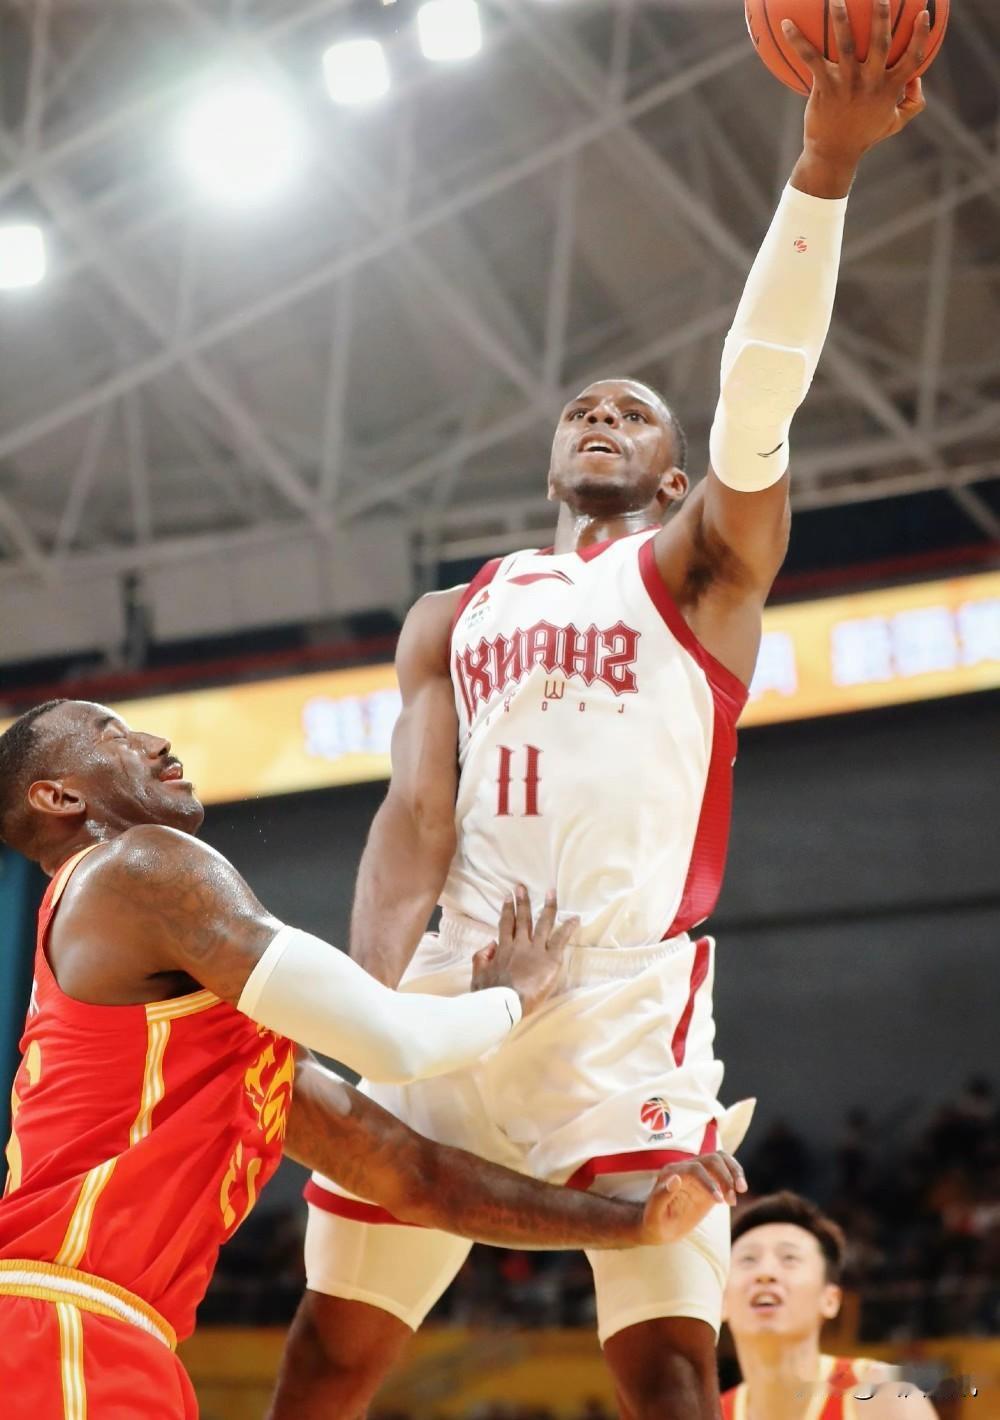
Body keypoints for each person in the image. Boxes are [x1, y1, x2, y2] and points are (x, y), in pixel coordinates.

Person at [272, 6, 931, 1419]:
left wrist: (822, 169)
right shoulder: (454, 612)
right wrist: (373, 1012)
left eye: (632, 413)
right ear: (550, 458)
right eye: (582, 409)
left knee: (668, 1368)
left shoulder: (701, 570)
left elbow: (760, 395)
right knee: (329, 1355)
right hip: (457, 983)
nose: (600, 419)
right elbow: (411, 821)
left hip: (624, 999)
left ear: (678, 473)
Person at [0, 698, 746, 1419]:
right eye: (113, 735)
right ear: (58, 796)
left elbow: (416, 1178)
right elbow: (393, 1042)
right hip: (59, 1326)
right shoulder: (139, 864)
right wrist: (511, 998)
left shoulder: (207, 1051)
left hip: (104, 1334)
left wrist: (632, 1225)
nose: (155, 742)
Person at [723, 1192, 938, 1420]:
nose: (766, 1273)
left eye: (789, 1258)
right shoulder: (709, 1413)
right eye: (748, 1259)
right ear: (721, 1302)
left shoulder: (886, 1397)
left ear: (830, 1300)